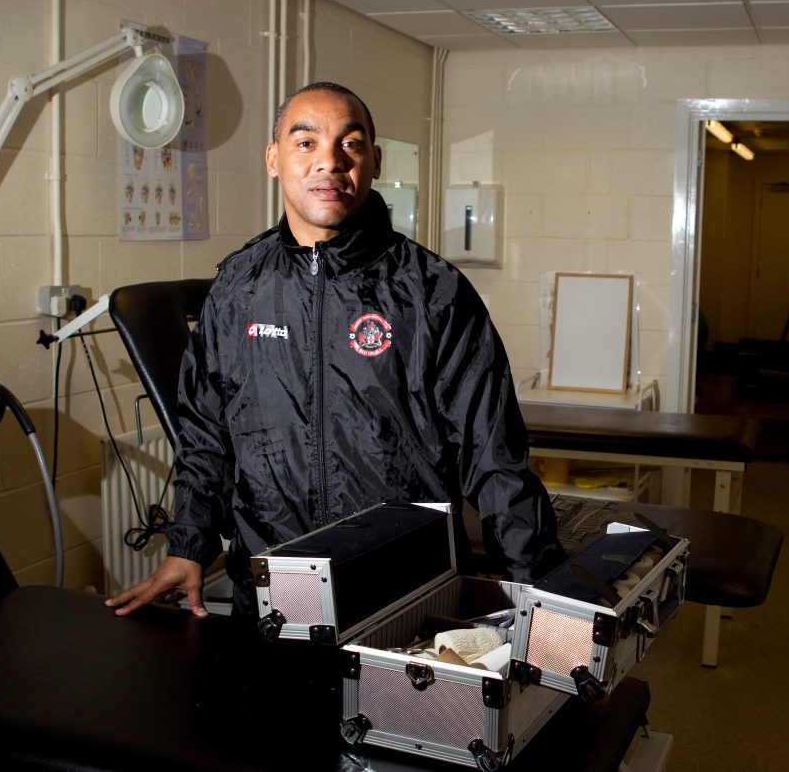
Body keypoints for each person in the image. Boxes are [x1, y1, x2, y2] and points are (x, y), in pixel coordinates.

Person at [106, 82, 564, 619]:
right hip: (276, 583)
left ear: (374, 161)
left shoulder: (432, 290)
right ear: (274, 159)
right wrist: (188, 545)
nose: (329, 161)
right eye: (306, 143)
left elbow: (493, 456)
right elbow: (207, 434)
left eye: (350, 144)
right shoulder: (236, 290)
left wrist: (537, 594)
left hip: (406, 583)